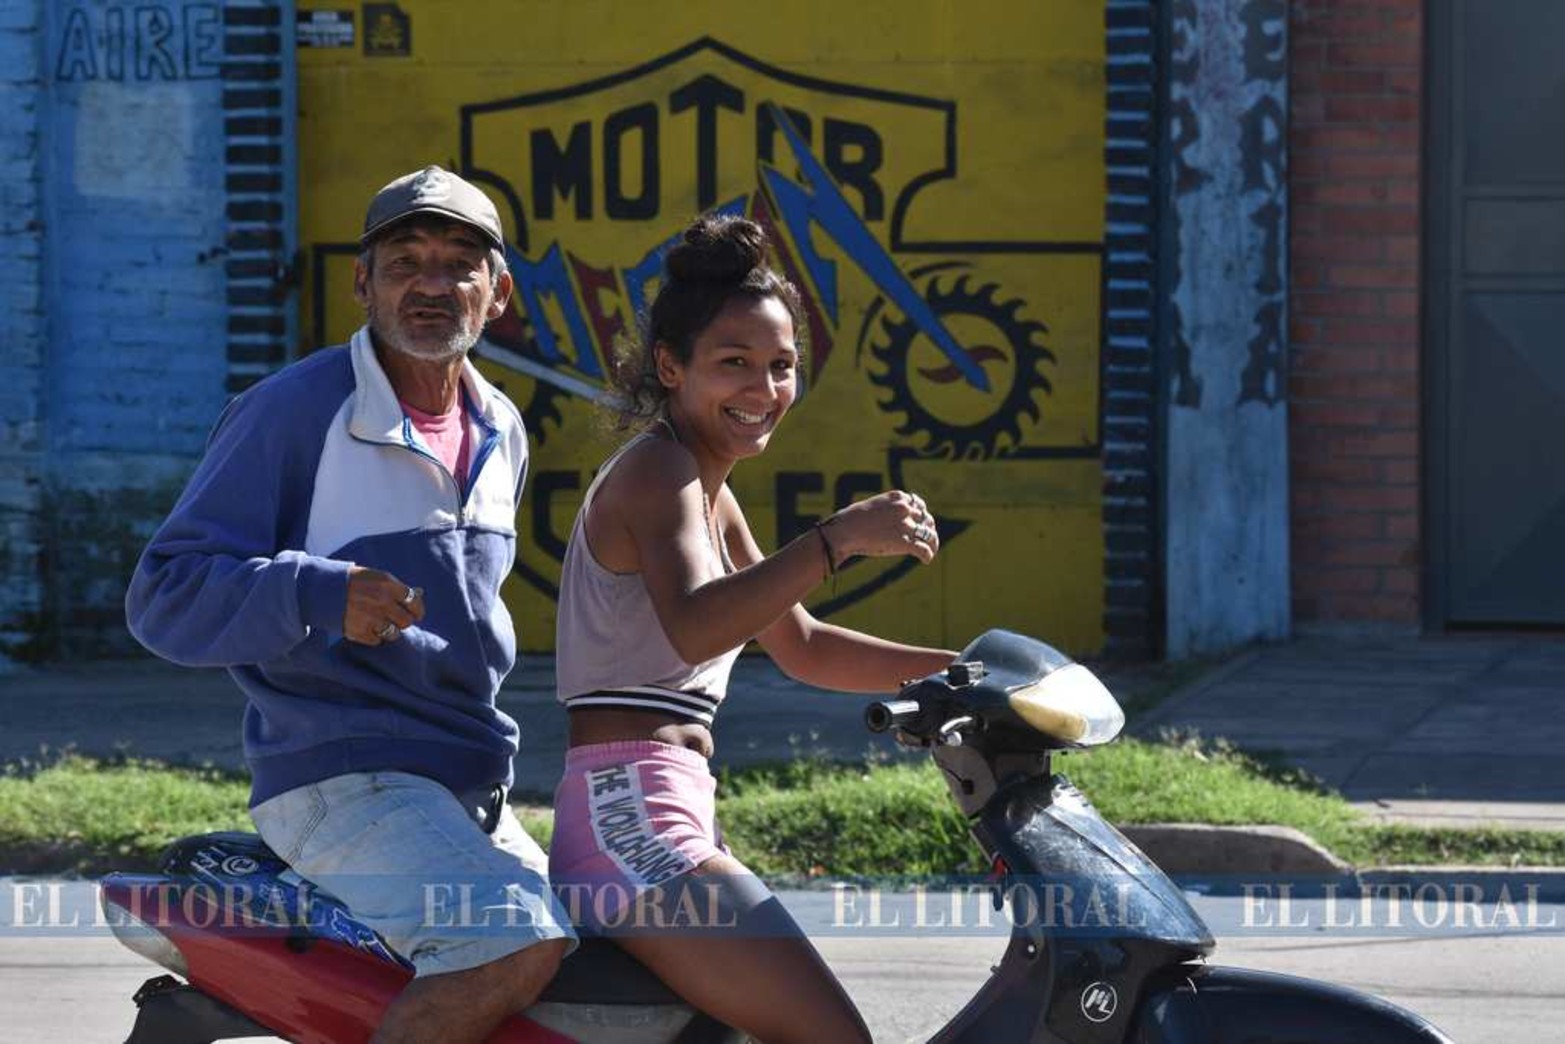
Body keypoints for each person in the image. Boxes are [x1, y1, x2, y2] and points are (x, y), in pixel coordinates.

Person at [125, 165, 574, 1043]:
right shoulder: (293, 412)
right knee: (504, 948)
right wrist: (315, 592)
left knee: (603, 979)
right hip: (340, 775)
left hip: (470, 783)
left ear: (499, 292)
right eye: (404, 261)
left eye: (458, 263)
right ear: (363, 283)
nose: (431, 284)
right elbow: (164, 596)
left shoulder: (502, 430)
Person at [549, 212, 957, 1043]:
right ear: (670, 367)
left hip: (669, 808)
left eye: (781, 366)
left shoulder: (708, 488)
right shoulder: (657, 470)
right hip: (630, 815)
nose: (763, 389)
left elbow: (801, 645)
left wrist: (972, 672)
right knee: (832, 1036)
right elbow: (697, 626)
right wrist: (836, 538)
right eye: (733, 364)